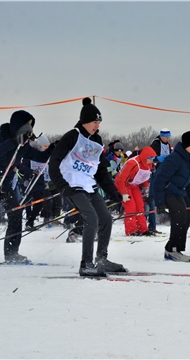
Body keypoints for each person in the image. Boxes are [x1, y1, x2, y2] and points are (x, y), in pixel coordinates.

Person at [49, 97, 125, 276]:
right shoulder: (71, 136)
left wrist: (113, 192)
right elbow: (54, 163)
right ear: (84, 121)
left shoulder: (97, 141)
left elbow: (100, 172)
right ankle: (86, 263)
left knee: (106, 218)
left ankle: (102, 259)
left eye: (99, 122)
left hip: (88, 186)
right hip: (72, 185)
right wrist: (62, 186)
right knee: (91, 219)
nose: (97, 125)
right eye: (94, 121)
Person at [0, 110, 54, 265]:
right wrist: (13, 142)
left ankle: (12, 253)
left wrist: (53, 148)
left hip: (5, 185)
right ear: (18, 126)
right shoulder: (1, 136)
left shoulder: (23, 145)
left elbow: (40, 156)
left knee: (16, 214)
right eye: (27, 127)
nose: (29, 132)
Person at [153, 131, 190, 262]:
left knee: (185, 218)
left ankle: (174, 249)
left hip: (178, 192)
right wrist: (159, 203)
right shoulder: (174, 159)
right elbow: (158, 180)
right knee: (179, 215)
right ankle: (172, 250)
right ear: (185, 145)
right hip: (165, 191)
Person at [114, 146, 156, 236]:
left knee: (140, 206)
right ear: (145, 157)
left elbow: (143, 177)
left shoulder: (147, 164)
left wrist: (147, 190)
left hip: (134, 185)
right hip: (123, 184)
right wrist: (123, 193)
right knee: (131, 207)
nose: (151, 160)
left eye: (153, 158)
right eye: (150, 158)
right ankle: (131, 230)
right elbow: (122, 179)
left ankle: (143, 229)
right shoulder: (132, 163)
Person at [20, 135, 51, 230]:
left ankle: (31, 221)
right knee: (39, 201)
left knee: (41, 203)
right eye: (45, 146)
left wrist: (47, 180)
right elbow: (22, 168)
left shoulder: (46, 157)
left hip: (41, 183)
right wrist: (31, 172)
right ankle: (29, 221)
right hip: (31, 182)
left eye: (48, 146)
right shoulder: (31, 155)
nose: (46, 148)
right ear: (39, 146)